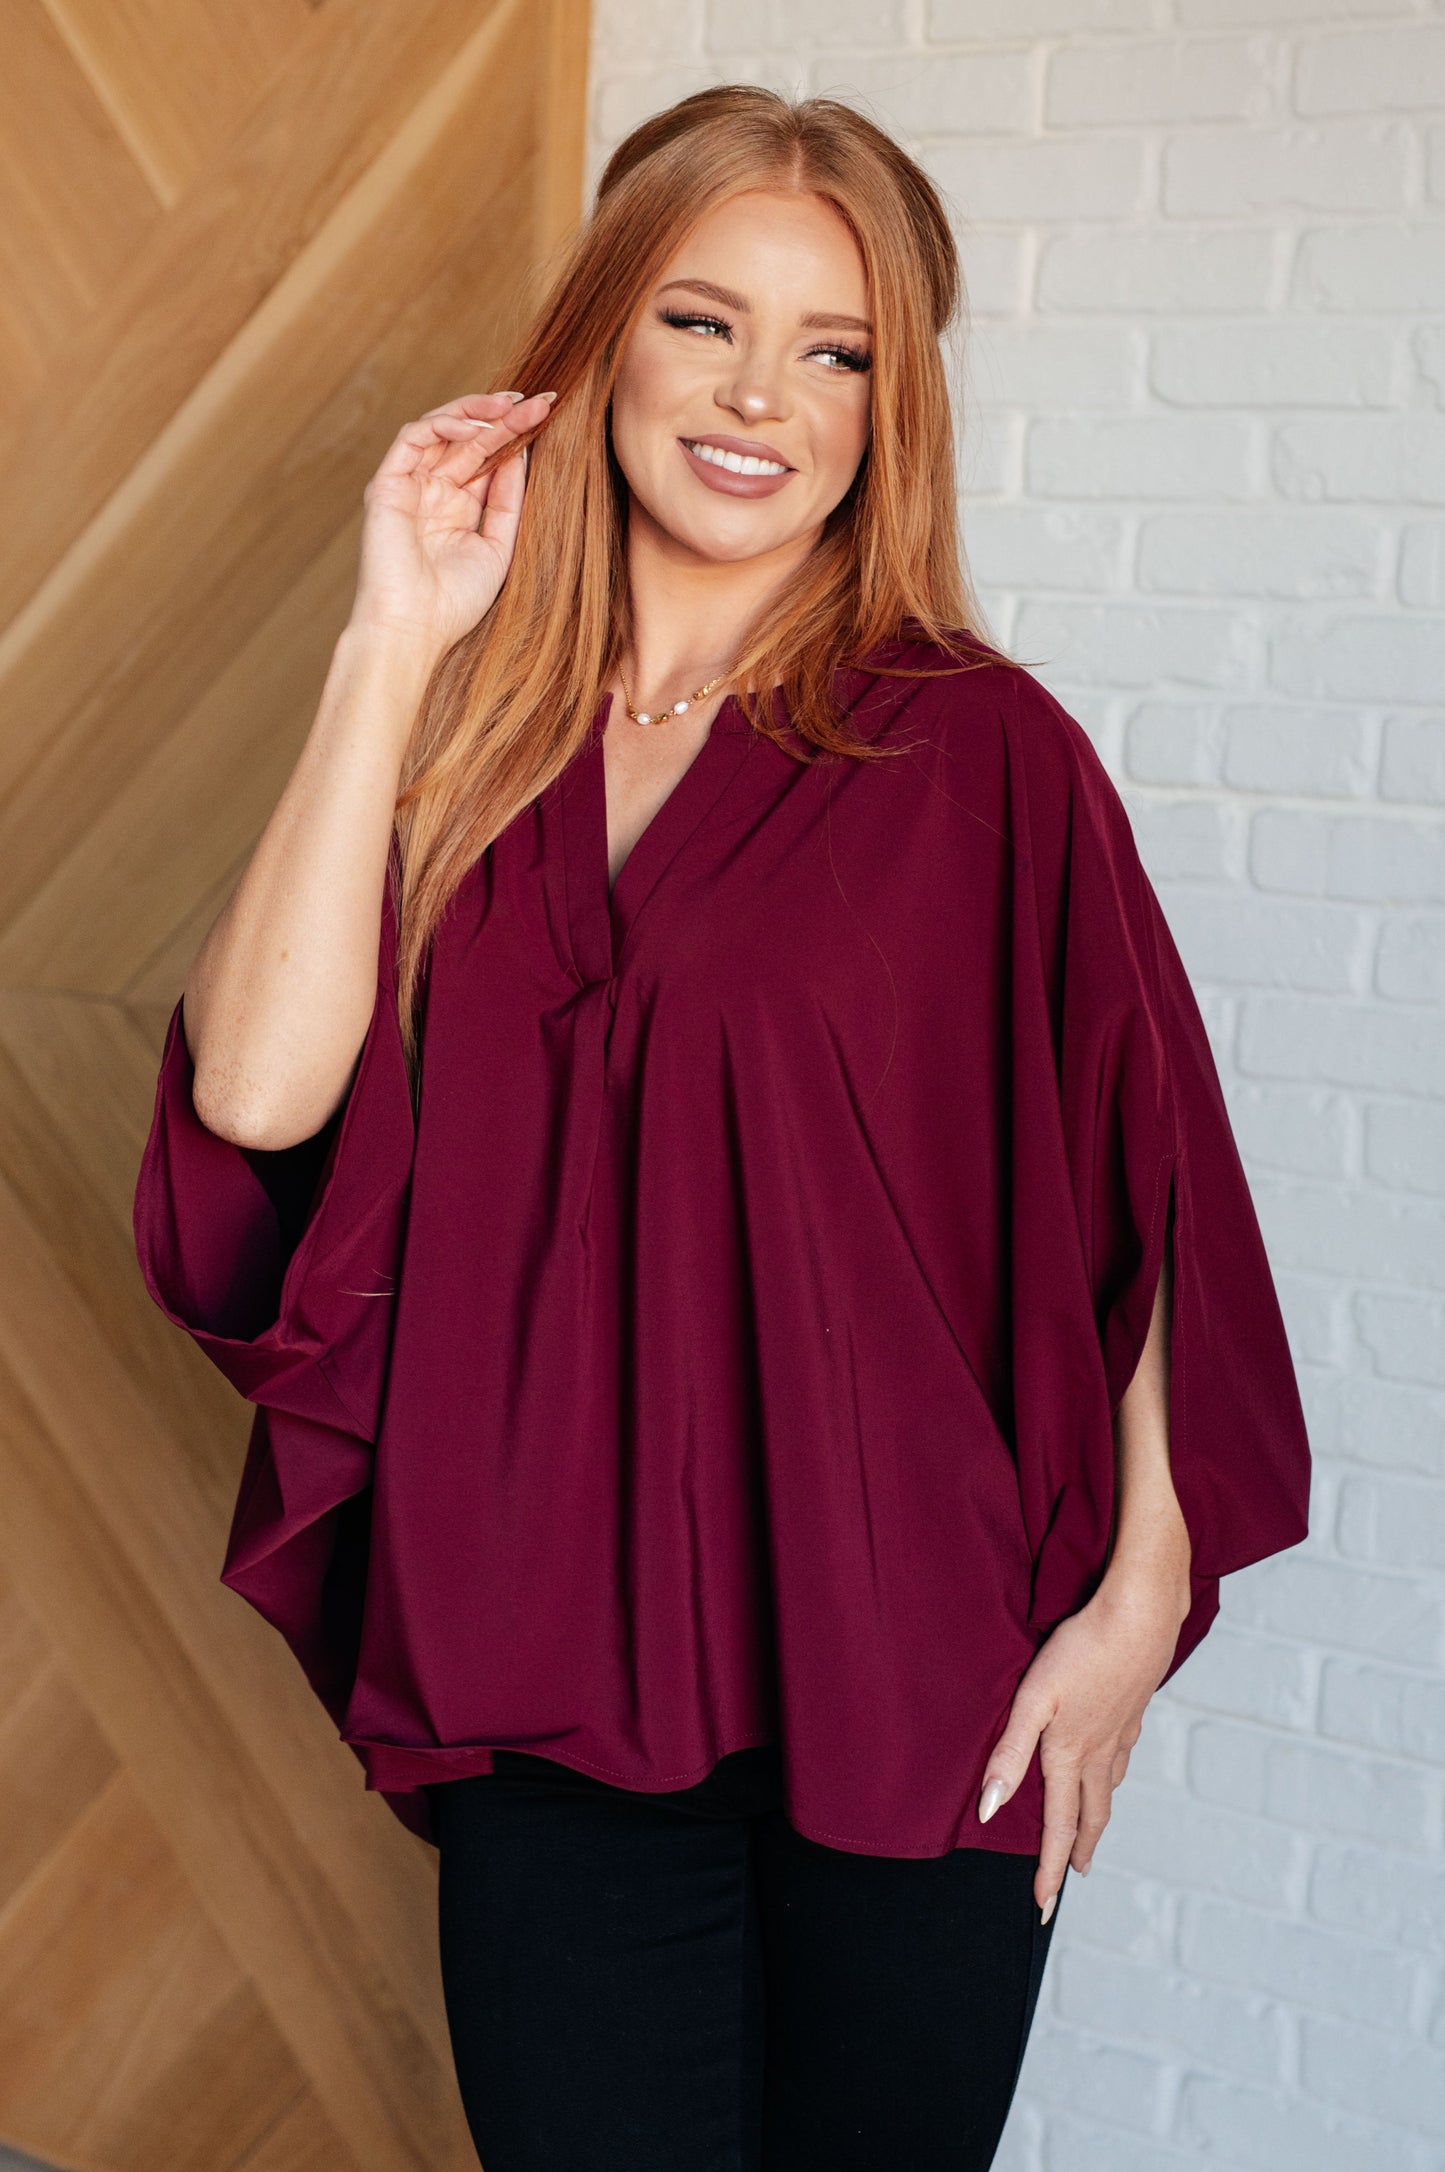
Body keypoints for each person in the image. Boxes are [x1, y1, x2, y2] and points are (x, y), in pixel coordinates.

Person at [133, 86, 1312, 2172]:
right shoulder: (468, 738)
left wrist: (1133, 1614)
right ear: (598, 343)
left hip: (917, 1675)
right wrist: (391, 639)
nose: (763, 392)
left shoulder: (977, 753)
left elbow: (1157, 1206)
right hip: (545, 1665)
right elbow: (254, 1094)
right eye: (702, 320)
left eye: (836, 348)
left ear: (893, 406)